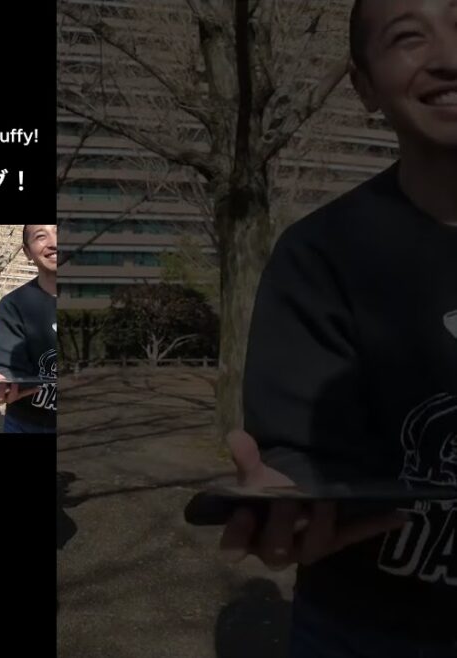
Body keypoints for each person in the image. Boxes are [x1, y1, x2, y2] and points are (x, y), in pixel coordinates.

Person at [220, 0, 457, 654]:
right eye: (408, 37)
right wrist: (287, 498)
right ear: (365, 86)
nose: (449, 57)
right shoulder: (319, 257)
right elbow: (298, 451)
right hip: (370, 627)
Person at [0, 224, 58, 433]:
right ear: (27, 252)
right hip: (28, 424)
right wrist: (3, 382)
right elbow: (7, 367)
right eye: (41, 236)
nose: (54, 243)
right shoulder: (13, 305)